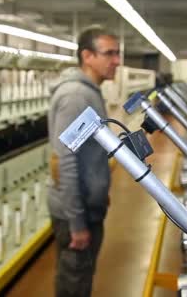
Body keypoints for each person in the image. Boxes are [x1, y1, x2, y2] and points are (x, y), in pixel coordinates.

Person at [47, 26, 121, 297]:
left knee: (80, 278)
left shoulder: (89, 92)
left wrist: (98, 192)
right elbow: (65, 163)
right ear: (87, 56)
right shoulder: (77, 97)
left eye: (118, 53)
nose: (117, 60)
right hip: (75, 216)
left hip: (88, 207)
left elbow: (88, 154)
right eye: (109, 53)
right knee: (74, 284)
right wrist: (77, 223)